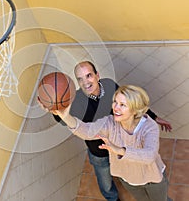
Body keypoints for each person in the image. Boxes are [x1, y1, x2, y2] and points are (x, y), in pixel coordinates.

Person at [52, 61, 172, 201]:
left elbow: (131, 100)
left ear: (97, 75)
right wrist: (61, 114)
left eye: (89, 75)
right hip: (101, 152)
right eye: (80, 79)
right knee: (106, 182)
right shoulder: (82, 104)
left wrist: (154, 118)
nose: (85, 82)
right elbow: (85, 130)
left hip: (134, 160)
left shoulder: (110, 86)